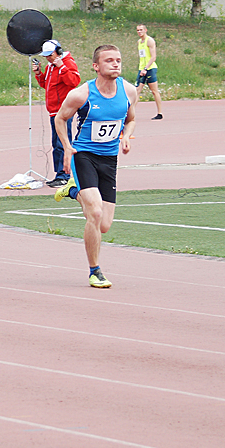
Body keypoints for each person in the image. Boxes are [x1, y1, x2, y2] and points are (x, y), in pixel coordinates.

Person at [53, 45, 138, 289]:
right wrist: (68, 147)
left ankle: (71, 191)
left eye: (118, 60)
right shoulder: (81, 94)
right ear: (96, 66)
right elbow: (60, 118)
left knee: (104, 225)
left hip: (110, 160)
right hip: (85, 156)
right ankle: (95, 271)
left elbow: (131, 119)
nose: (116, 64)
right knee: (95, 212)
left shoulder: (128, 91)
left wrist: (126, 136)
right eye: (109, 60)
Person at [33, 39, 80, 187]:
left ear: (58, 52)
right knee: (56, 144)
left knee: (62, 143)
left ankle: (64, 175)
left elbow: (74, 81)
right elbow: (45, 85)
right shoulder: (51, 66)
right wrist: (39, 73)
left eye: (50, 55)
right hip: (53, 111)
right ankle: (59, 174)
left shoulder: (67, 63)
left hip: (64, 111)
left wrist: (62, 67)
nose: (48, 58)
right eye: (46, 56)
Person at [135, 24, 163, 120]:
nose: (139, 32)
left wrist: (146, 68)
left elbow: (153, 57)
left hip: (150, 69)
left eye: (141, 30)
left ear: (145, 30)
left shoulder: (149, 41)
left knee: (154, 91)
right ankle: (131, 113)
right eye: (138, 30)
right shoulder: (139, 42)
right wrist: (141, 69)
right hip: (142, 68)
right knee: (137, 91)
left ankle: (160, 113)